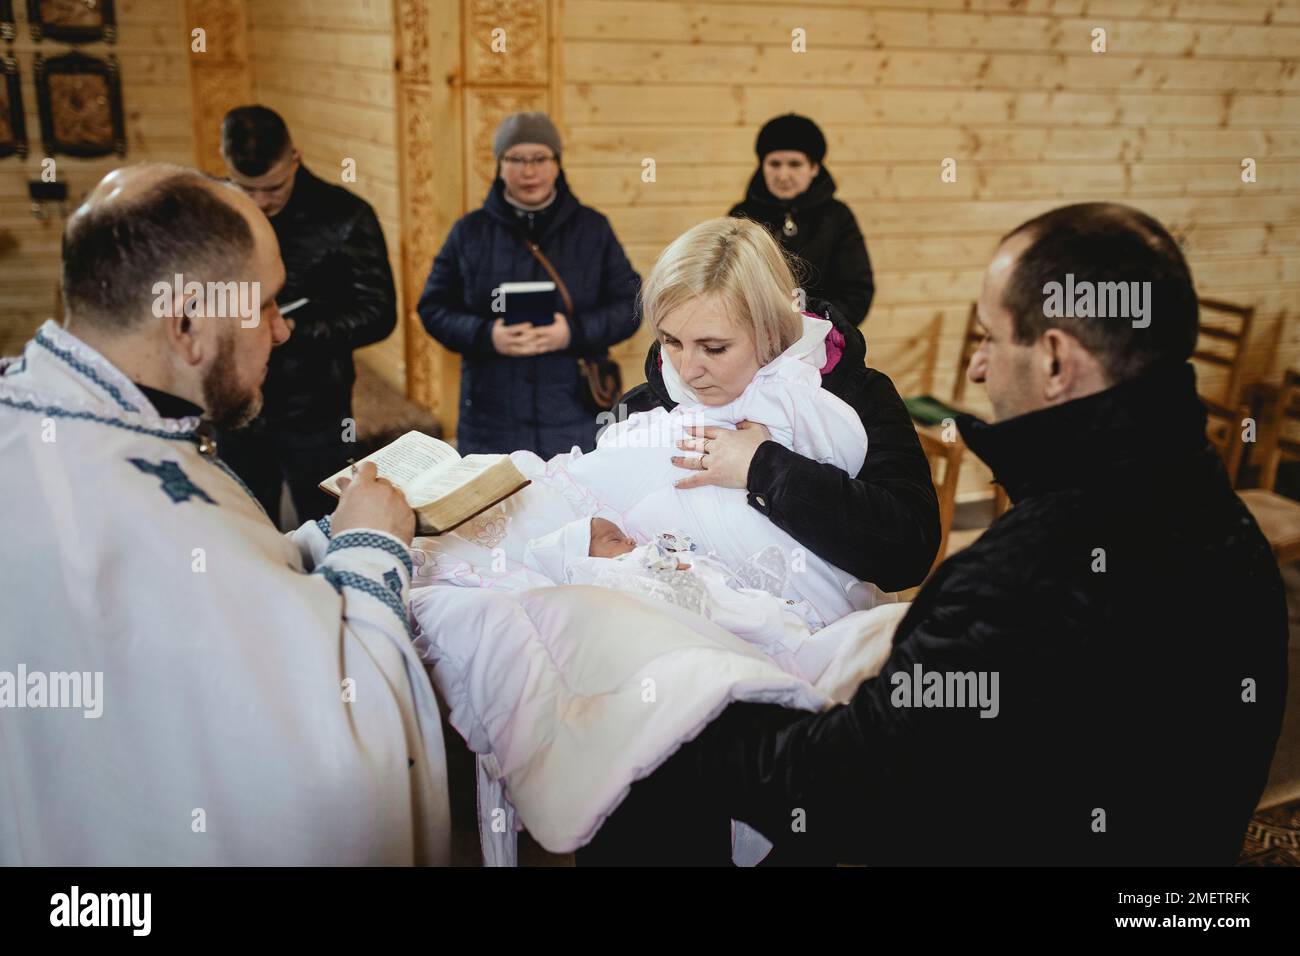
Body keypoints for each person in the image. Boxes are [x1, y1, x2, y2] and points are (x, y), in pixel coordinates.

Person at [579, 202, 1289, 866]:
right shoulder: (1221, 520)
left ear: (1054, 358)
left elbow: (841, 782)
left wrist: (657, 704)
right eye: (673, 343)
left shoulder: (1028, 572)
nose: (976, 365)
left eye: (988, 335)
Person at [0, 164, 449, 865]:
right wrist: (367, 548)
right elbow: (325, 765)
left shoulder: (58, 418)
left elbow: (224, 582)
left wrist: (315, 541)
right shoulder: (134, 510)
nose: (281, 330)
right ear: (187, 324)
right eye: (268, 304)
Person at [417, 111, 640, 457]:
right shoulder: (469, 232)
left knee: (573, 507)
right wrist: (486, 335)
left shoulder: (593, 229)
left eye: (540, 158)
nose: (528, 171)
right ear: (499, 164)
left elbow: (630, 305)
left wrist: (572, 332)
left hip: (575, 414)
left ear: (557, 163)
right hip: (490, 419)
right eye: (516, 159)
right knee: (496, 510)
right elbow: (432, 308)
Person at [217, 105, 398, 525]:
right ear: (226, 168)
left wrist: (297, 328)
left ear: (294, 158)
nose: (261, 203)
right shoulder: (214, 213)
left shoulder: (347, 216)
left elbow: (379, 313)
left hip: (316, 404)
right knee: (243, 523)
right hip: (235, 402)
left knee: (327, 525)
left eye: (273, 188)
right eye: (248, 189)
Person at [729, 113, 874, 326]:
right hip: (753, 341)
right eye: (774, 164)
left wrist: (808, 325)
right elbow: (726, 283)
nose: (783, 175)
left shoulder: (837, 218)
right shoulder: (742, 216)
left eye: (795, 164)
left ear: (814, 168)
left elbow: (856, 293)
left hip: (822, 343)